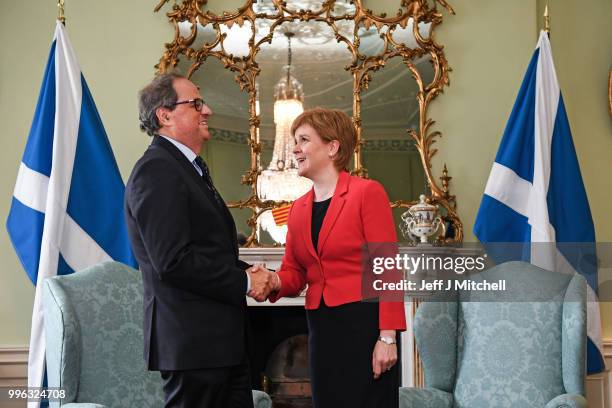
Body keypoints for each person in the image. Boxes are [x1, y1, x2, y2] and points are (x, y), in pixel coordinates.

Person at [124, 73, 277, 408]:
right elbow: (173, 261)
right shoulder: (158, 170)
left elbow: (208, 252)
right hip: (193, 346)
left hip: (220, 345)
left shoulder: (187, 168)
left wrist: (252, 272)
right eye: (195, 103)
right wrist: (244, 280)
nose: (206, 109)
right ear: (164, 116)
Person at [250, 108, 406, 408]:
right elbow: (294, 273)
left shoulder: (367, 192)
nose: (295, 148)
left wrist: (387, 337)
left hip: (364, 324)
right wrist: (272, 280)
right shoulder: (298, 209)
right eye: (295, 140)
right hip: (322, 329)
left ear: (332, 147)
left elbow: (386, 267)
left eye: (304, 140)